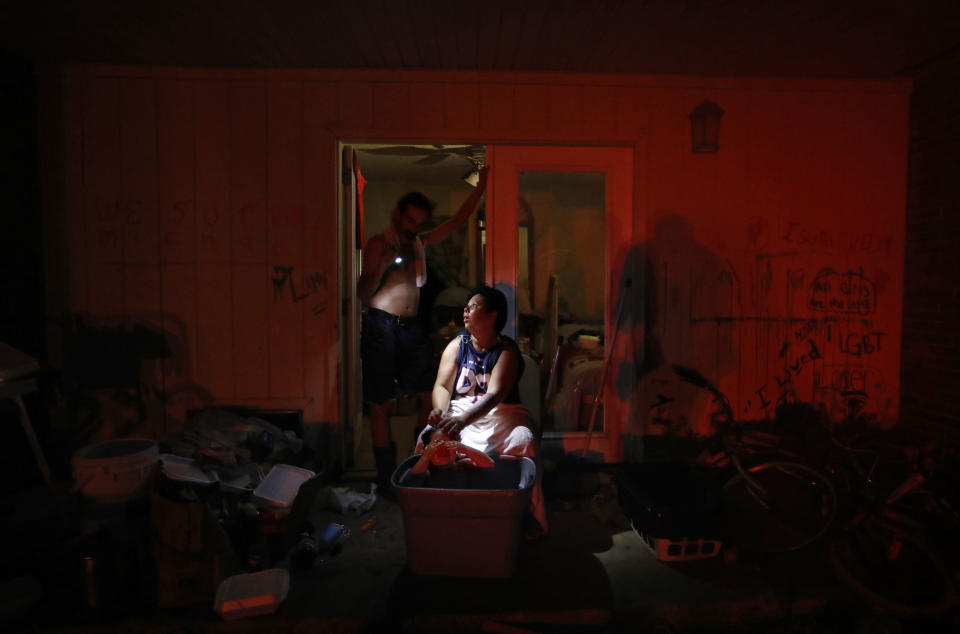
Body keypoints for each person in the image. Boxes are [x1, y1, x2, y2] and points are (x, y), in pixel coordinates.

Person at [357, 167, 488, 498]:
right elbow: (362, 293)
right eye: (409, 219)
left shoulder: (418, 244)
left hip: (411, 326)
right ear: (398, 215)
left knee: (425, 396)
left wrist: (481, 189)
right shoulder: (377, 244)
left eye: (418, 222)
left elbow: (456, 222)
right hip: (381, 325)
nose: (413, 226)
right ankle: (388, 478)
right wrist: (384, 266)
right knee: (381, 401)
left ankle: (421, 463)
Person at [418, 284, 548, 535]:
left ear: (492, 316)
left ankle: (526, 513)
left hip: (502, 415)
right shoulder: (458, 344)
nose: (465, 311)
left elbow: (495, 395)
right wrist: (443, 414)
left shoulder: (507, 351)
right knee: (433, 439)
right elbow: (443, 386)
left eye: (474, 306)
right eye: (466, 306)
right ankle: (441, 515)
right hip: (461, 410)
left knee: (524, 440)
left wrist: (463, 420)